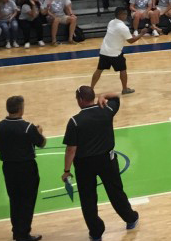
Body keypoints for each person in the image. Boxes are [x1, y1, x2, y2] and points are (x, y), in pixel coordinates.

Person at [62, 86, 139, 239]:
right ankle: (130, 218)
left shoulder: (74, 121)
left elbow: (71, 149)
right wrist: (103, 95)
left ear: (80, 100)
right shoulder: (107, 110)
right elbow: (116, 96)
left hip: (84, 165)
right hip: (107, 161)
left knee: (88, 199)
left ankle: (96, 232)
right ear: (93, 97)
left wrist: (66, 170)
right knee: (116, 192)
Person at [0, 95, 46, 241]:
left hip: (8, 167)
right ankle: (23, 234)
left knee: (14, 199)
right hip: (26, 168)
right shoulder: (28, 127)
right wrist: (39, 132)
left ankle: (17, 231)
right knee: (27, 200)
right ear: (21, 109)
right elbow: (41, 143)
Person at [92, 7, 141, 95]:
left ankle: (91, 88)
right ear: (120, 15)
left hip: (104, 51)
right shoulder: (123, 27)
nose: (126, 16)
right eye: (125, 14)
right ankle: (125, 89)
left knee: (99, 70)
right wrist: (142, 34)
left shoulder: (111, 22)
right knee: (123, 69)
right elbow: (130, 41)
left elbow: (118, 35)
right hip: (115, 53)